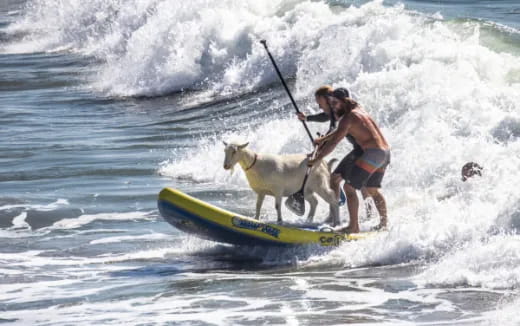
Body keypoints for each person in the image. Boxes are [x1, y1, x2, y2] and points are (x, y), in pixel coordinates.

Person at [309, 89, 390, 233]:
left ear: (344, 101)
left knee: (349, 187)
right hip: (385, 153)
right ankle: (384, 224)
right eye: (331, 103)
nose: (332, 106)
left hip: (372, 153)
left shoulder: (348, 118)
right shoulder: (359, 110)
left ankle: (353, 227)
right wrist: (323, 139)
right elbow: (341, 130)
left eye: (335, 103)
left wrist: (317, 158)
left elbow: (335, 142)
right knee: (372, 190)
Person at [297, 86, 374, 216]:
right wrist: (307, 118)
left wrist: (319, 150)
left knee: (350, 182)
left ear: (329, 100)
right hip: (363, 150)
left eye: (320, 103)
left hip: (364, 151)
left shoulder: (342, 113)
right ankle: (364, 215)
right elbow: (325, 117)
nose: (320, 107)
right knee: (348, 181)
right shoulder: (338, 110)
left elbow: (334, 132)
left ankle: (340, 215)